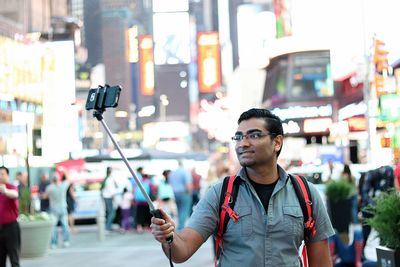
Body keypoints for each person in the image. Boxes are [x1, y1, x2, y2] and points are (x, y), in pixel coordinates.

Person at [150, 108, 334, 266]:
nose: (243, 143)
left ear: (277, 142)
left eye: (254, 135)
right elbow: (182, 251)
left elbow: (321, 263)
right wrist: (169, 236)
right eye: (238, 137)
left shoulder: (305, 194)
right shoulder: (220, 194)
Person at [0, 166, 20, 267]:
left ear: (7, 175)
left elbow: (15, 194)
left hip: (11, 228)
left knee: (14, 259)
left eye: (2, 174)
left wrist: (5, 191)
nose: (0, 176)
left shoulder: (11, 187)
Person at [45, 174, 71, 248]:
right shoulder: (63, 186)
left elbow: (45, 196)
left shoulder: (49, 188)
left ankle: (54, 243)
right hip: (63, 207)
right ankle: (66, 241)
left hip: (53, 209)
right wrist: (65, 172)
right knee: (65, 225)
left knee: (53, 227)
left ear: (52, 180)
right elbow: (68, 180)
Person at [168, 160, 192, 231]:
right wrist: (190, 193)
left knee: (179, 210)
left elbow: (170, 184)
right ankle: (181, 227)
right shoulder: (185, 172)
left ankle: (179, 226)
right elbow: (188, 183)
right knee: (184, 210)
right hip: (184, 193)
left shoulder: (173, 173)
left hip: (175, 193)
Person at [101, 166, 118, 231]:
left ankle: (108, 226)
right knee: (112, 212)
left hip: (106, 197)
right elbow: (111, 190)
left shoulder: (106, 179)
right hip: (109, 197)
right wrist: (114, 198)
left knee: (109, 212)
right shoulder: (109, 179)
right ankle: (108, 226)